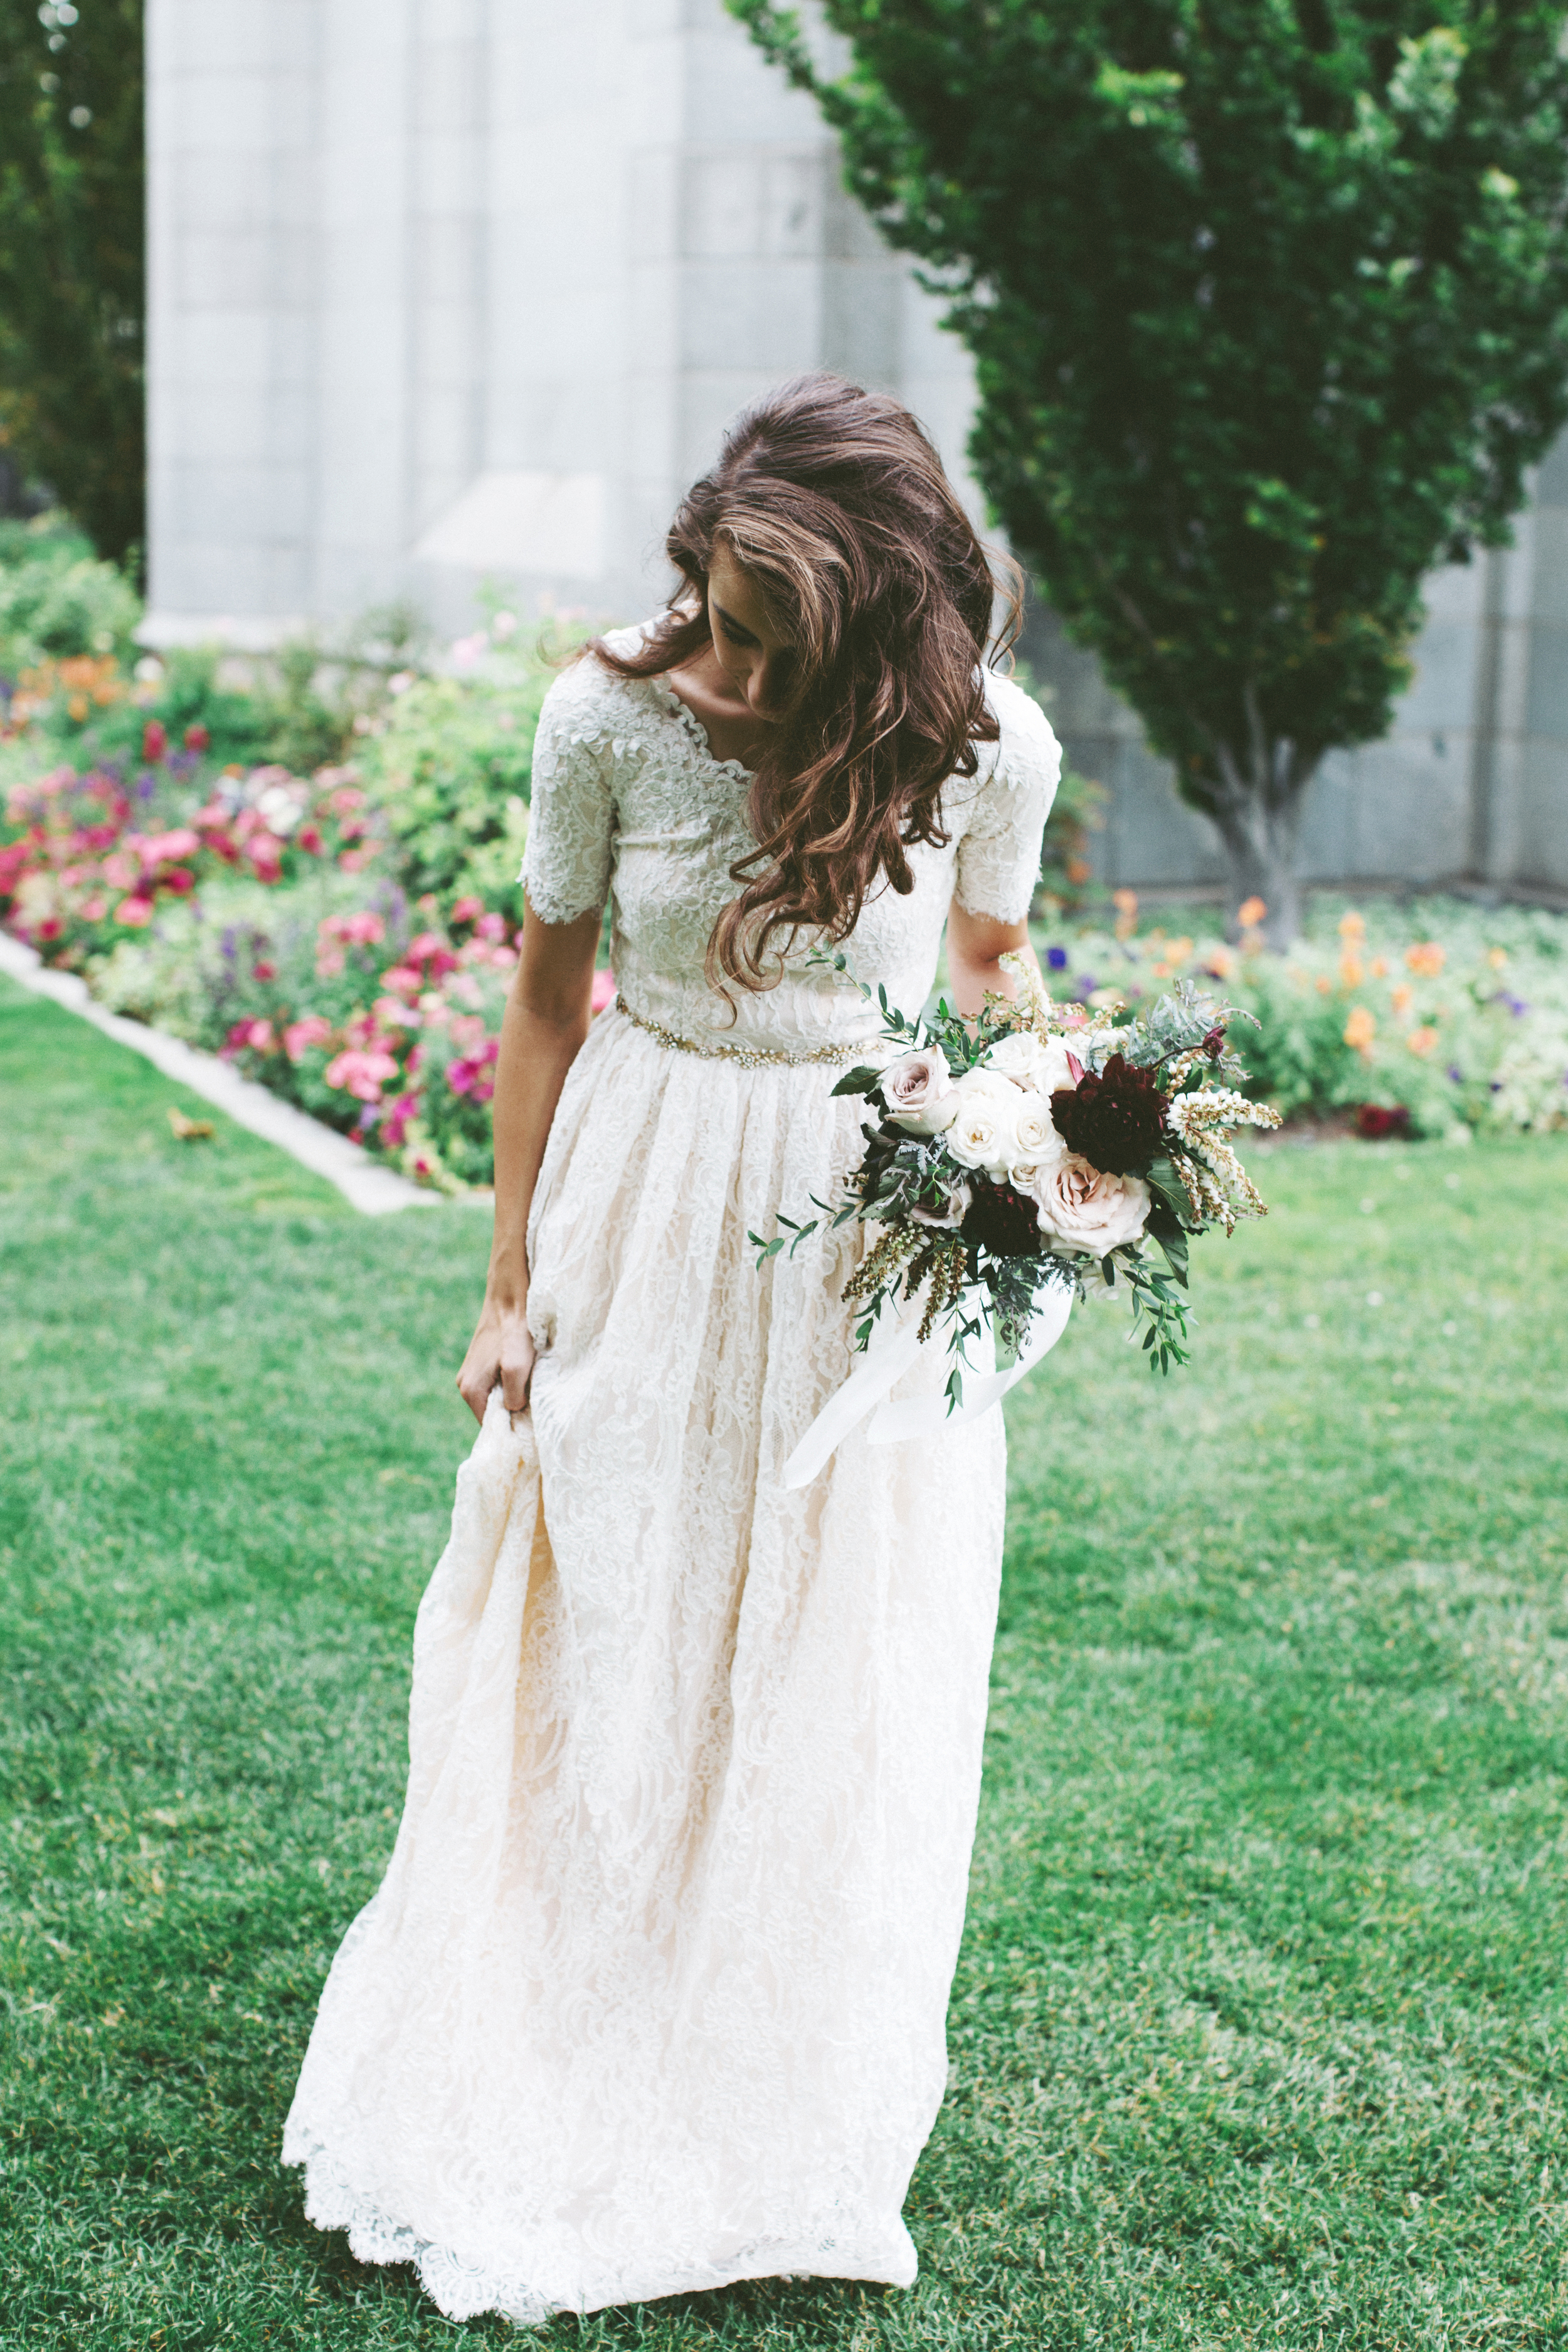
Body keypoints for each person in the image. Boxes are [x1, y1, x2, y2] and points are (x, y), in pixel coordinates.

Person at [283, 373, 1061, 2325]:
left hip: (857, 1221)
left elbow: (983, 983)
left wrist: (1042, 1151)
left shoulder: (981, 749)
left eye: (766, 625)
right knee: (610, 1603)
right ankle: (559, 2017)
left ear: (867, 612)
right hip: (641, 1185)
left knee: (824, 1633)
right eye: (709, 597)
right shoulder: (602, 716)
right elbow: (544, 1003)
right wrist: (501, 1284)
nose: (724, 648)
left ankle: (769, 2078)